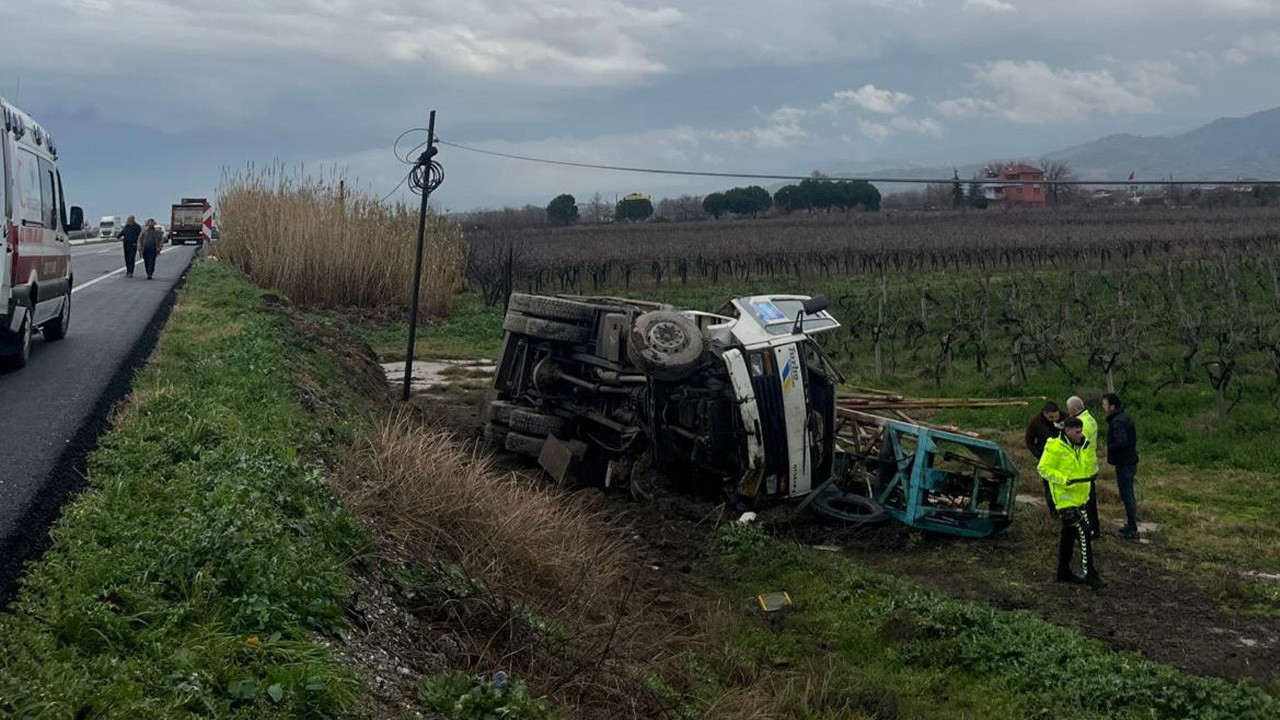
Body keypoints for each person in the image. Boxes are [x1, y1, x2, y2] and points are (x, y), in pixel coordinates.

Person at [1038, 417, 1105, 589]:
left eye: (1081, 431)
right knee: (1084, 532)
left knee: (1068, 536)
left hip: (1080, 499)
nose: (1080, 434)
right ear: (1067, 430)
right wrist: (1062, 479)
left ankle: (1063, 571)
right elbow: (1043, 469)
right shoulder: (1055, 446)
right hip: (1064, 501)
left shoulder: (1082, 446)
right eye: (1077, 431)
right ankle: (1090, 573)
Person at [1103, 393, 1140, 540]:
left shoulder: (1117, 422)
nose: (1103, 407)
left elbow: (1122, 442)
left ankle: (1132, 528)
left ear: (1112, 406)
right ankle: (1130, 525)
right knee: (1128, 494)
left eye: (1105, 404)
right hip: (1129, 461)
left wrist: (1109, 448)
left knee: (1127, 495)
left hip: (1125, 463)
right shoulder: (1124, 417)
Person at [1066, 396, 1101, 539]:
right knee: (1090, 501)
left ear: (1073, 409)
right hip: (1091, 465)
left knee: (1086, 502)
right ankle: (1093, 528)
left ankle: (1090, 530)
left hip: (1084, 468)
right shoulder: (1090, 419)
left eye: (1069, 409)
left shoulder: (1082, 423)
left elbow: (1077, 443)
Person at [1025, 401, 1063, 512]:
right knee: (1050, 486)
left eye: (1056, 416)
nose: (1054, 419)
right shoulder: (1036, 422)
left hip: (1064, 458)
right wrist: (1039, 455)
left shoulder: (1064, 417)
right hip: (1046, 459)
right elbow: (1029, 441)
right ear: (1045, 413)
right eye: (1051, 417)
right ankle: (1053, 511)